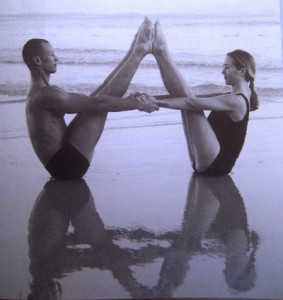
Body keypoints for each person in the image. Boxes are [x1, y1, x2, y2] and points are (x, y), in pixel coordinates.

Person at [23, 18, 158, 180]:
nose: (56, 59)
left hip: (61, 159)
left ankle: (135, 48)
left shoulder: (39, 92)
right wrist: (137, 104)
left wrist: (130, 101)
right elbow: (99, 103)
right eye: (52, 55)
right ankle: (139, 51)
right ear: (37, 60)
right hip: (68, 166)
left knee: (100, 94)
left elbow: (96, 98)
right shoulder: (46, 95)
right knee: (100, 102)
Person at [152, 21, 259, 176]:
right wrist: (151, 97)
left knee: (189, 103)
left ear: (242, 71)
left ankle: (161, 51)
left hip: (217, 165)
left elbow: (191, 102)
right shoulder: (233, 97)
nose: (222, 72)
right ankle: (159, 53)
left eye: (227, 67)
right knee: (186, 98)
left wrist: (154, 103)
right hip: (206, 159)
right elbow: (191, 98)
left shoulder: (236, 101)